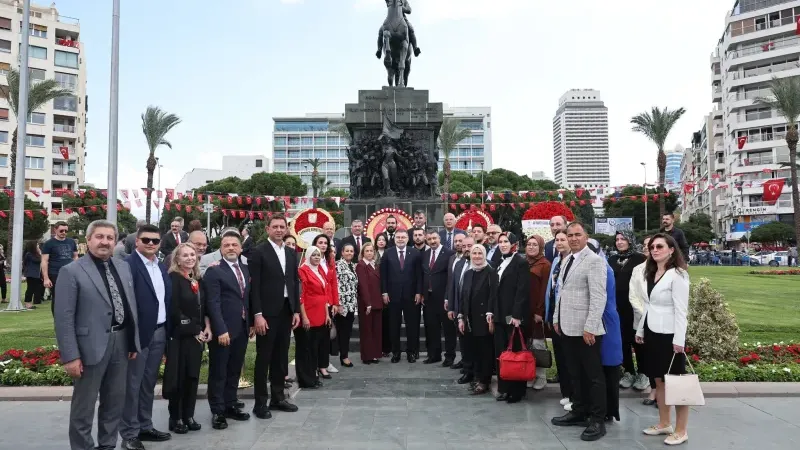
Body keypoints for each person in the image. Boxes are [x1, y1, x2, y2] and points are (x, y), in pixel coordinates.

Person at [54, 220, 140, 450]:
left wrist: (133, 342)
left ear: (115, 242)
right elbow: (63, 318)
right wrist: (71, 356)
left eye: (109, 238)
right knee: (84, 408)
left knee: (114, 404)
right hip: (89, 347)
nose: (104, 242)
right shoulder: (71, 271)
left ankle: (107, 446)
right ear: (88, 240)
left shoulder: (122, 266)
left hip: (120, 343)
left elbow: (129, 305)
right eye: (99, 237)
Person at [551, 222, 608, 442]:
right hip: (567, 327)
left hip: (586, 330)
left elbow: (598, 297)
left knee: (593, 377)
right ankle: (579, 410)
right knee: (575, 373)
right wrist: (556, 318)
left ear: (586, 237)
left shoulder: (593, 261)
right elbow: (561, 292)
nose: (573, 238)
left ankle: (597, 420)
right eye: (570, 235)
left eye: (577, 235)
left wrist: (590, 327)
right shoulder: (566, 259)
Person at [120, 225, 173, 450]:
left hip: (160, 331)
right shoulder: (127, 266)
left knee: (148, 384)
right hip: (138, 334)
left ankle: (145, 425)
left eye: (155, 240)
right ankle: (129, 434)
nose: (151, 243)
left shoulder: (160, 266)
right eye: (146, 240)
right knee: (132, 385)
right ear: (137, 241)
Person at [636, 234, 691, 446]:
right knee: (658, 379)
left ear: (671, 249)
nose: (655, 250)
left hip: (670, 335)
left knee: (676, 382)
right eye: (652, 247)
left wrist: (680, 339)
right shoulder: (651, 273)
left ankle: (681, 429)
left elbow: (681, 310)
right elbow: (648, 305)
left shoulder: (678, 274)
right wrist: (641, 330)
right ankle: (664, 423)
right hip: (652, 332)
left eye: (660, 246)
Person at [248, 215, 301, 419]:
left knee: (281, 357)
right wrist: (258, 315)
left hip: (286, 311)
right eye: (275, 227)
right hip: (267, 313)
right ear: (268, 229)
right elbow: (255, 286)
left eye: (282, 227)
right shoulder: (259, 252)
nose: (279, 230)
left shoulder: (290, 252)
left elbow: (293, 282)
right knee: (264, 358)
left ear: (286, 229)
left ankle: (278, 397)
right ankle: (260, 403)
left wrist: (295, 310)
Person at [205, 233, 251, 430]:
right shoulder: (214, 271)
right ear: (221, 249)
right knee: (219, 371)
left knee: (234, 369)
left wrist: (249, 323)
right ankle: (217, 411)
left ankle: (230, 404)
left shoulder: (246, 270)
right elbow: (212, 304)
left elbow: (246, 298)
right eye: (226, 245)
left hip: (241, 327)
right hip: (223, 330)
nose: (231, 248)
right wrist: (220, 329)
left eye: (234, 245)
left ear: (240, 248)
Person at [164, 243, 210, 435]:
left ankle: (189, 415)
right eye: (185, 255)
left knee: (192, 377)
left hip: (197, 337)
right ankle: (176, 418)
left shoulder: (198, 278)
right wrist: (194, 329)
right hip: (180, 336)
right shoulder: (173, 278)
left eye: (193, 254)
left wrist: (207, 327)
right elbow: (174, 310)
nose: (190, 258)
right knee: (178, 378)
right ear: (177, 259)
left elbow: (204, 307)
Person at [607, 230, 649, 392]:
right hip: (616, 307)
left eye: (623, 239)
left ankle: (643, 373)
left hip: (635, 307)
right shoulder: (611, 259)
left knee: (638, 340)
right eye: (617, 239)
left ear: (630, 240)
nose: (619, 242)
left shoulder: (640, 259)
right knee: (622, 340)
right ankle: (629, 371)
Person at [493, 232, 531, 404]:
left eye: (506, 241)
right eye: (500, 242)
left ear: (514, 244)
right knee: (503, 351)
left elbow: (522, 291)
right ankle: (504, 388)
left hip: (513, 315)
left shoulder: (521, 263)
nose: (502, 244)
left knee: (515, 350)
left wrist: (516, 315)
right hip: (500, 314)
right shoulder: (500, 262)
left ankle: (517, 391)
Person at [457, 244, 498, 396]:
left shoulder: (491, 273)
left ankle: (484, 381)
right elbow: (463, 297)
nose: (477, 256)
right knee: (473, 350)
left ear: (484, 255)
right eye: (474, 253)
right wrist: (461, 317)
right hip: (469, 319)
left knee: (485, 351)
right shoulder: (468, 274)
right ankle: (476, 377)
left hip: (485, 319)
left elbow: (493, 296)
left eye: (480, 253)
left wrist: (491, 315)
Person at [380, 229, 423, 363]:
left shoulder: (415, 253)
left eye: (403, 237)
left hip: (411, 295)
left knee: (412, 325)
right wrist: (384, 292)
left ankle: (411, 352)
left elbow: (419, 275)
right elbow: (383, 275)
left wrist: (418, 292)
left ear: (407, 239)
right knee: (394, 325)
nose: (400, 239)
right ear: (394, 239)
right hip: (393, 296)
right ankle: (396, 353)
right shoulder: (388, 253)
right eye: (398, 237)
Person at [295, 246, 334, 388]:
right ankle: (306, 380)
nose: (317, 257)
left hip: (320, 314)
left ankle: (313, 376)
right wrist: (304, 317)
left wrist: (327, 314)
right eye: (314, 255)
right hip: (308, 315)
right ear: (308, 256)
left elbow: (324, 294)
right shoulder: (302, 271)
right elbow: (301, 296)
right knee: (305, 348)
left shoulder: (319, 271)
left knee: (314, 348)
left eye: (318, 255)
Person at [545, 231, 572, 409]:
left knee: (570, 356)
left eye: (563, 239)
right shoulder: (555, 261)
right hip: (555, 313)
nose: (560, 243)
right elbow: (550, 289)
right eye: (557, 240)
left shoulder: (573, 260)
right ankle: (566, 392)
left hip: (569, 315)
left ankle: (574, 395)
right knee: (560, 355)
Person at [421, 228, 455, 365]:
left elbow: (450, 277)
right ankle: (434, 355)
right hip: (429, 298)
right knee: (432, 327)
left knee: (448, 329)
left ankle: (449, 356)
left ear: (439, 238)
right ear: (426, 240)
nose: (432, 241)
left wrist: (448, 296)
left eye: (434, 238)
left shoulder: (449, 254)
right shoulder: (424, 254)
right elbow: (423, 274)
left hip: (444, 298)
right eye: (429, 239)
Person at [631, 236, 657, 406]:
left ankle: (662, 393)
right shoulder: (637, 269)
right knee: (646, 356)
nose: (650, 249)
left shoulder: (671, 271)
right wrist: (646, 314)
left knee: (660, 358)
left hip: (662, 323)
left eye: (654, 245)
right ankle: (653, 389)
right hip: (641, 320)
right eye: (647, 246)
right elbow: (633, 296)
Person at [524, 235, 552, 390]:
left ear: (540, 247)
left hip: (537, 312)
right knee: (527, 344)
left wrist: (540, 311)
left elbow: (544, 290)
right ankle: (530, 374)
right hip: (524, 312)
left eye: (535, 244)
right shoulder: (523, 263)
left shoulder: (545, 264)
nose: (531, 247)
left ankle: (541, 376)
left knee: (538, 344)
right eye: (529, 244)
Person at [311, 234, 341, 374]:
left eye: (325, 243)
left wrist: (335, 302)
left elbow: (334, 282)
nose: (323, 245)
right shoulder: (311, 260)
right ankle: (316, 364)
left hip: (329, 302)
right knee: (316, 335)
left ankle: (325, 362)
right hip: (316, 303)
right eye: (320, 242)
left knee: (326, 335)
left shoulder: (329, 260)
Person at [446, 234, 473, 381]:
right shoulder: (459, 263)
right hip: (459, 308)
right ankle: (466, 365)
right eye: (464, 247)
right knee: (462, 339)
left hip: (473, 311)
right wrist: (451, 307)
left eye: (470, 246)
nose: (467, 249)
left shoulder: (481, 263)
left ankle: (471, 370)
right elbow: (453, 287)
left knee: (471, 341)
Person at [42, 221, 79, 315]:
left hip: (71, 273)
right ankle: (57, 319)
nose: (64, 233)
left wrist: (78, 271)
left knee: (73, 296)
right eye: (61, 230)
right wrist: (46, 278)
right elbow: (44, 261)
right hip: (55, 273)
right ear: (55, 230)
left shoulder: (71, 242)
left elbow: (75, 257)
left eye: (66, 231)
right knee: (57, 297)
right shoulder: (48, 243)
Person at [355, 242, 383, 364]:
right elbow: (363, 285)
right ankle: (367, 356)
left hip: (377, 302)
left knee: (376, 330)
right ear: (362, 253)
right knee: (367, 331)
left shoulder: (375, 265)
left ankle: (375, 354)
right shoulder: (361, 265)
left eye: (372, 251)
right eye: (367, 251)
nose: (370, 253)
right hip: (367, 304)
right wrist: (368, 303)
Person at [335, 243, 359, 367]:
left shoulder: (353, 266)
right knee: (342, 332)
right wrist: (338, 304)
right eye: (347, 251)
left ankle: (344, 355)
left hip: (351, 305)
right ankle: (343, 357)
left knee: (347, 332)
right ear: (342, 252)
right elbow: (336, 285)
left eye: (351, 251)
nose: (349, 253)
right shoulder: (338, 265)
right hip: (341, 305)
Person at [23, 240, 44, 309]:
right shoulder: (29, 254)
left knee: (33, 288)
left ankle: (29, 303)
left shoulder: (35, 254)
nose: (38, 246)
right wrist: (40, 253)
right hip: (31, 274)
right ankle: (27, 303)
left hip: (35, 274)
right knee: (30, 289)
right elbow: (38, 260)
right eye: (37, 245)